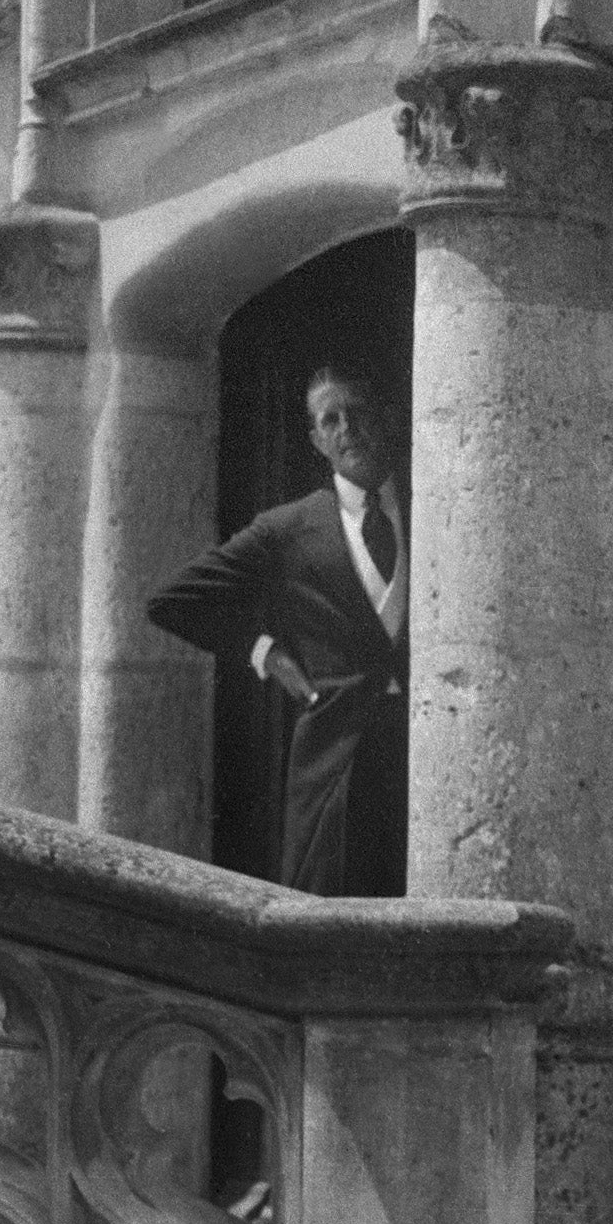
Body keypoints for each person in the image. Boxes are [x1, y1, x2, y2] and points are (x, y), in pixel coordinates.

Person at [148, 364, 409, 897]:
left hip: (422, 750)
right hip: (334, 764)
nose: (346, 429)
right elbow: (172, 601)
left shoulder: (437, 508)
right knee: (329, 916)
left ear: (385, 418)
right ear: (316, 440)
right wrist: (266, 652)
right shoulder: (288, 529)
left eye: (357, 413)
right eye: (330, 420)